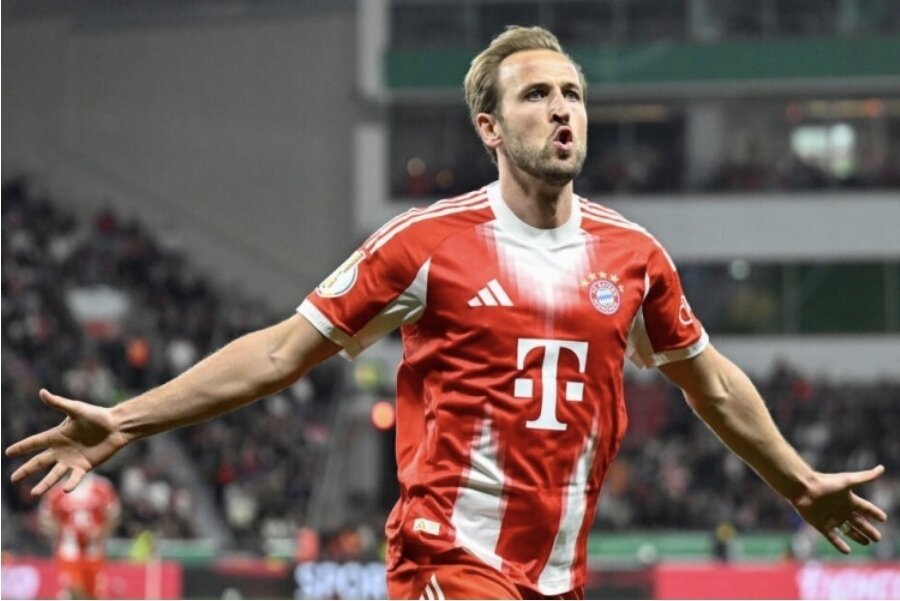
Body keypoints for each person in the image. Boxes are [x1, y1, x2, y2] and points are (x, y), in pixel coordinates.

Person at [6, 26, 887, 600]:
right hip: (448, 561)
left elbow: (712, 384)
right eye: (536, 95)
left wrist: (796, 480)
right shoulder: (425, 243)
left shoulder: (634, 256)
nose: (562, 109)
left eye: (572, 94)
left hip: (557, 575)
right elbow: (280, 352)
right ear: (488, 128)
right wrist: (126, 417)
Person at [38, 473, 121, 599]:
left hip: (94, 551)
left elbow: (114, 514)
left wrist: (101, 533)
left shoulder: (101, 486)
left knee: (93, 594)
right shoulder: (57, 490)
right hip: (69, 551)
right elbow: (45, 516)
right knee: (74, 590)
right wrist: (60, 531)